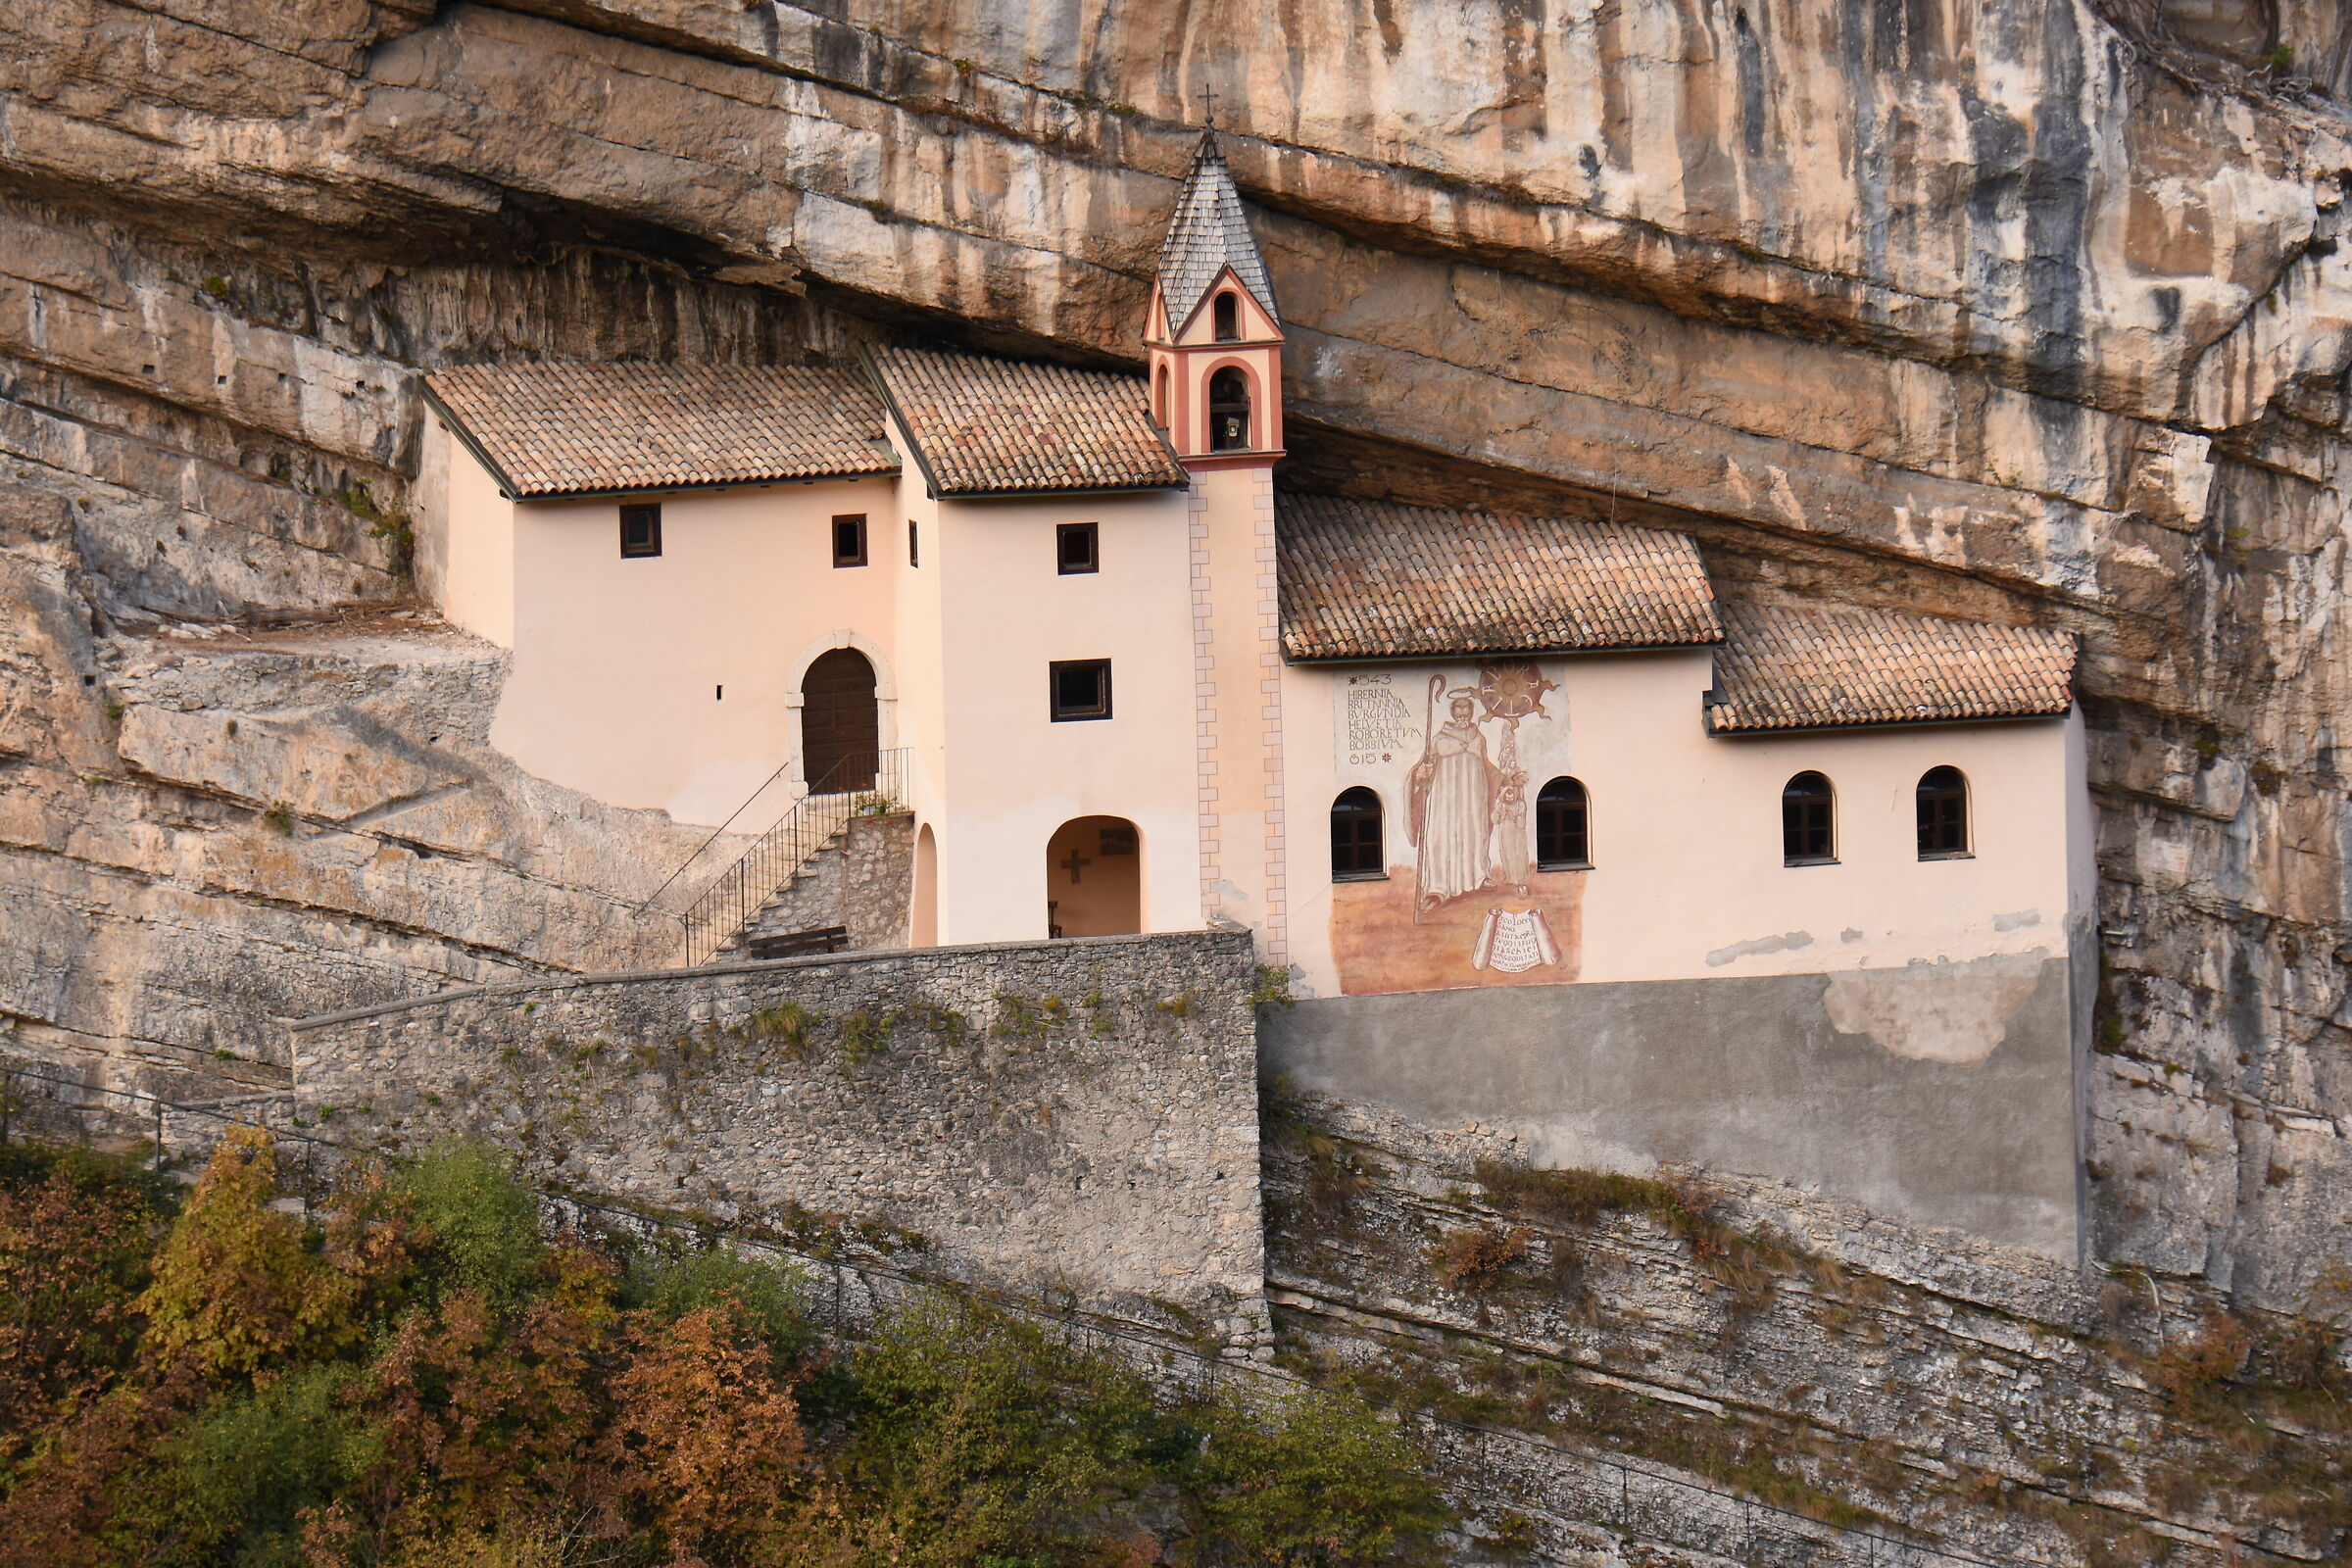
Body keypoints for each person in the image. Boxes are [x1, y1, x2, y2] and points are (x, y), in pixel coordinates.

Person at [1408, 693, 1497, 910]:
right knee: (1440, 837)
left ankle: (1478, 876)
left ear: (1471, 714)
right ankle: (1438, 888)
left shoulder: (1479, 738)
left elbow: (1487, 767)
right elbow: (1425, 766)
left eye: (1466, 715)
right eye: (1459, 716)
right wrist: (1421, 774)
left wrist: (1506, 779)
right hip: (1445, 798)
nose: (1463, 720)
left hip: (1472, 797)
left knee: (1474, 833)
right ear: (1452, 715)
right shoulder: (1439, 738)